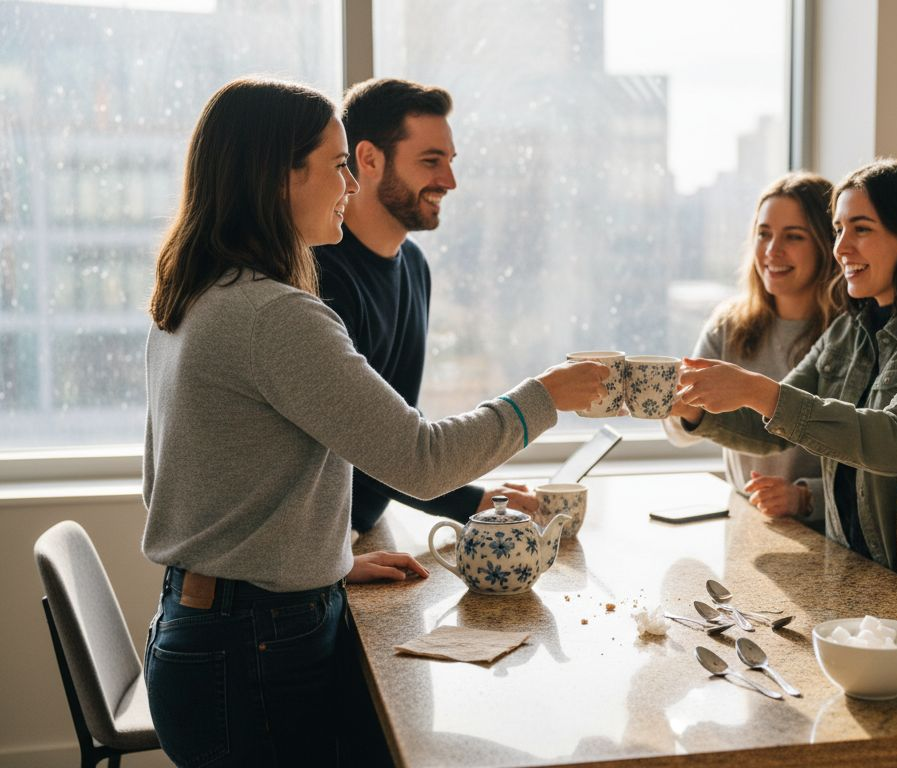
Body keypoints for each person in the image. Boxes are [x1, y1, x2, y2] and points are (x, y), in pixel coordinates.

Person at [140, 77, 606, 765]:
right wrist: (547, 394)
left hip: (221, 625)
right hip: (251, 646)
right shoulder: (275, 316)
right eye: (334, 167)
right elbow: (417, 456)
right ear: (279, 178)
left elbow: (213, 484)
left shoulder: (201, 293)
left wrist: (322, 563)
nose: (348, 186)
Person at [674, 158, 897, 570]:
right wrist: (690, 407)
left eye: (861, 229)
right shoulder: (849, 329)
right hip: (852, 569)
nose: (841, 248)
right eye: (839, 229)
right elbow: (770, 429)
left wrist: (758, 390)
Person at [313, 77, 532, 535]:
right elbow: (382, 447)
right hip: (319, 548)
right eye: (431, 161)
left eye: (450, 162)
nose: (449, 181)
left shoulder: (414, 265)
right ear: (368, 159)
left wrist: (480, 500)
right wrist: (473, 501)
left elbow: (396, 434)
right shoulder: (319, 275)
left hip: (361, 536)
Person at [663, 172, 842, 529]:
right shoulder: (729, 324)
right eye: (763, 234)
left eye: (793, 236)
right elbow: (678, 434)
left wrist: (806, 496)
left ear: (826, 245)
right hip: (746, 521)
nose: (772, 250)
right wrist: (677, 406)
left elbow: (868, 456)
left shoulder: (846, 335)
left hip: (824, 531)